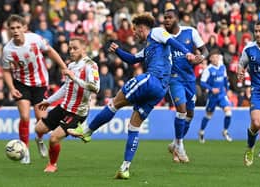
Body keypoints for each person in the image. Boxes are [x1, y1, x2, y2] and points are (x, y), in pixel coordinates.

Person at [68, 13, 196, 179]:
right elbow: (132, 59)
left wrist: (187, 53)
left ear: (142, 28)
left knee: (115, 103)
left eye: (135, 30)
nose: (134, 34)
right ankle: (125, 168)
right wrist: (118, 51)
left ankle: (87, 131)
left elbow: (172, 41)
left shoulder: (156, 32)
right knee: (134, 125)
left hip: (151, 80)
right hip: (160, 91)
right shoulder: (150, 46)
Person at [2, 15, 68, 164]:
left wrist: (63, 67)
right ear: (9, 30)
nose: (16, 31)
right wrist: (11, 88)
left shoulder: (35, 39)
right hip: (21, 83)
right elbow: (5, 71)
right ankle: (24, 150)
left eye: (18, 27)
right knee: (25, 116)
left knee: (41, 120)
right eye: (12, 28)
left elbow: (50, 51)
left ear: (24, 28)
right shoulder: (7, 50)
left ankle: (38, 140)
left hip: (40, 84)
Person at [35, 37, 100, 172]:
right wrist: (49, 101)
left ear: (84, 49)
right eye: (70, 48)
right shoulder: (71, 66)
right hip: (64, 107)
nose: (71, 51)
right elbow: (66, 88)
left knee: (53, 139)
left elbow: (95, 88)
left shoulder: (91, 65)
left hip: (77, 112)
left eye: (75, 48)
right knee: (39, 129)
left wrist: (74, 78)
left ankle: (52, 165)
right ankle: (77, 132)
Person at [163, 9, 208, 163]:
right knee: (181, 110)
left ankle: (175, 143)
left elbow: (205, 50)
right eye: (165, 18)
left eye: (170, 17)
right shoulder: (162, 36)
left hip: (190, 79)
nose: (166, 20)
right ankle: (180, 146)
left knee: (190, 114)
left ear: (177, 18)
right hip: (174, 79)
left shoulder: (190, 32)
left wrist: (199, 58)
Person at [237, 20, 260, 166]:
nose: (258, 34)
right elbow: (241, 64)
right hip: (259, 91)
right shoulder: (249, 49)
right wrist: (240, 71)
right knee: (257, 122)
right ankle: (250, 147)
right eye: (256, 31)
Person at [197, 49, 233, 143]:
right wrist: (211, 89)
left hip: (221, 95)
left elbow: (225, 80)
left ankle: (225, 131)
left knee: (228, 113)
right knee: (208, 116)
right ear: (211, 59)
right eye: (214, 57)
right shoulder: (208, 69)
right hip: (212, 96)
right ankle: (201, 131)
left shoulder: (222, 67)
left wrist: (228, 90)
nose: (216, 58)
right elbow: (202, 82)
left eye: (217, 56)